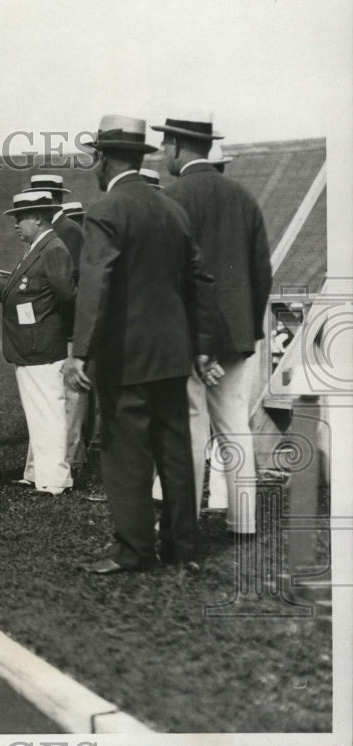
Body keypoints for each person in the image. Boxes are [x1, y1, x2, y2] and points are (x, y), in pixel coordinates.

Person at [64, 114, 220, 574]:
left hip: (125, 359)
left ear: (103, 159)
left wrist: (80, 352)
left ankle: (133, 550)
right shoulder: (172, 208)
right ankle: (183, 547)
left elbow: (96, 283)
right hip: (172, 356)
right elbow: (200, 280)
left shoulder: (104, 211)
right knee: (174, 451)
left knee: (126, 454)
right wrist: (202, 344)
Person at [153, 111, 272, 534]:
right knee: (234, 426)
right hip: (236, 336)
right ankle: (243, 522)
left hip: (187, 337)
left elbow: (167, 277)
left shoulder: (172, 197)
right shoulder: (243, 197)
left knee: (187, 429)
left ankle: (183, 525)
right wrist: (246, 330)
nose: (162, 152)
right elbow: (262, 273)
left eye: (165, 144)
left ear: (179, 146)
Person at [0, 191, 75, 494]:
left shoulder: (52, 249)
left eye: (20, 218)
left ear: (39, 218)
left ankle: (55, 480)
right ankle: (40, 474)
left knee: (49, 414)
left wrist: (65, 335)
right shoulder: (37, 248)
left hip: (43, 346)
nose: (15, 225)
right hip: (31, 347)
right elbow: (26, 290)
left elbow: (67, 296)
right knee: (39, 413)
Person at [22, 174, 90, 482]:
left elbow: (71, 286)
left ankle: (68, 461)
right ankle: (43, 466)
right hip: (54, 326)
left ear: (52, 199)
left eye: (40, 197)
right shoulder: (51, 232)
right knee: (55, 401)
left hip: (66, 327)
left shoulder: (68, 230)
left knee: (69, 399)